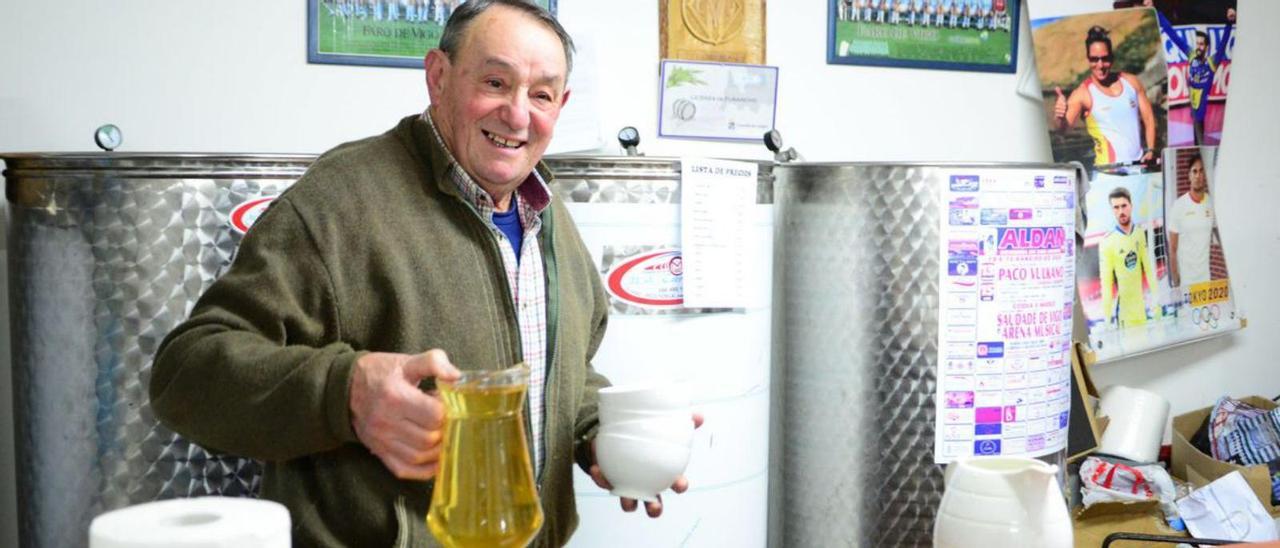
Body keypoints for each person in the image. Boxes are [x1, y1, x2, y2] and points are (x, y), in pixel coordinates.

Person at [149, 1, 697, 546]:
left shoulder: (549, 216)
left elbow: (562, 369)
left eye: (541, 94)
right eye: (495, 82)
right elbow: (184, 374)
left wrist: (602, 436)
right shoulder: (339, 202)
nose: (517, 114)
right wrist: (347, 394)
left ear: (562, 104)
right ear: (438, 76)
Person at [1054, 26, 1158, 166]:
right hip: (1108, 171)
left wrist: (1151, 149)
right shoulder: (1082, 94)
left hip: (1138, 166)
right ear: (1088, 59)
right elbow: (1063, 130)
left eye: (1105, 59)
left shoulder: (1131, 82)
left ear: (1112, 57)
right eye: (1094, 59)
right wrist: (1060, 116)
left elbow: (1149, 118)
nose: (1100, 65)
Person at [1158, 9, 1235, 145]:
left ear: (1206, 47)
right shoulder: (1191, 55)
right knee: (1195, 136)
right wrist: (1158, 12)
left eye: (1201, 44)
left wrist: (1229, 23)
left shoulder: (1212, 63)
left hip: (1201, 110)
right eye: (1197, 43)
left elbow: (1223, 44)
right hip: (1191, 107)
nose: (1198, 47)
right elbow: (1172, 34)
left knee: (1200, 137)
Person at [1098, 187, 1159, 327]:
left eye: (1124, 206)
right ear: (1112, 210)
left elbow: (1149, 269)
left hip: (1142, 312)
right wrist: (1107, 319)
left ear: (1131, 206)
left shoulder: (1139, 233)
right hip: (1124, 316)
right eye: (1116, 207)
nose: (1121, 211)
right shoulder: (1107, 242)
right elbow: (1106, 284)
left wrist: (1157, 300)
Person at [1168, 153, 1216, 288]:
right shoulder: (1179, 206)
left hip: (1206, 280)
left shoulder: (1212, 203)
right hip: (1187, 282)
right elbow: (1172, 248)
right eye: (1194, 171)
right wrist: (1176, 280)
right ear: (1189, 175)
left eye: (1201, 171)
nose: (1198, 175)